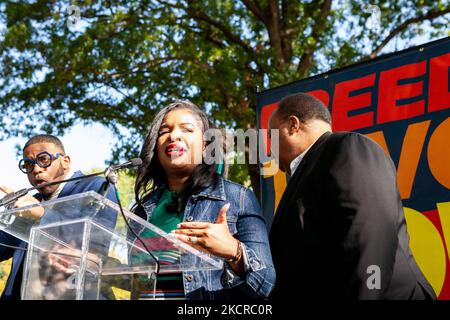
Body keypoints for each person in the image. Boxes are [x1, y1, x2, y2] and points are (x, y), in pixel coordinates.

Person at [268, 92, 436, 300]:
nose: (269, 149)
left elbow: (370, 237)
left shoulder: (346, 147)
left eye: (271, 136)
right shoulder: (306, 172)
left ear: (293, 125)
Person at [132, 100, 275, 300]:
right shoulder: (141, 210)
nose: (173, 136)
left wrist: (234, 251)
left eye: (187, 130)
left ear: (206, 147)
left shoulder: (238, 198)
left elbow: (266, 283)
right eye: (164, 131)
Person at [0, 134, 118, 300]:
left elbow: (93, 242)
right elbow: (5, 244)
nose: (36, 169)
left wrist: (41, 214)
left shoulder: (96, 187)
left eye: (44, 159)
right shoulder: (33, 201)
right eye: (28, 164)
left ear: (65, 162)